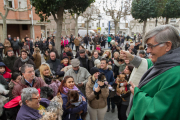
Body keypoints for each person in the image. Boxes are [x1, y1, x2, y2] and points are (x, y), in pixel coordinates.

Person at [121, 25, 180, 120]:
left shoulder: (176, 75)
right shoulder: (164, 63)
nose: (148, 51)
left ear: (168, 46)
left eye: (151, 46)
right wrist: (132, 58)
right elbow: (146, 63)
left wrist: (137, 94)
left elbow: (160, 112)